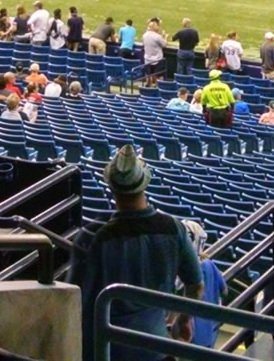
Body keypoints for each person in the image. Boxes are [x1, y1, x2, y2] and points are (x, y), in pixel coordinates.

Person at [75, 147, 201, 361]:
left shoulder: (99, 239)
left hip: (109, 350)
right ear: (144, 184)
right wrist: (183, 319)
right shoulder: (174, 228)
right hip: (157, 350)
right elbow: (196, 284)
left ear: (112, 189)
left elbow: (83, 304)